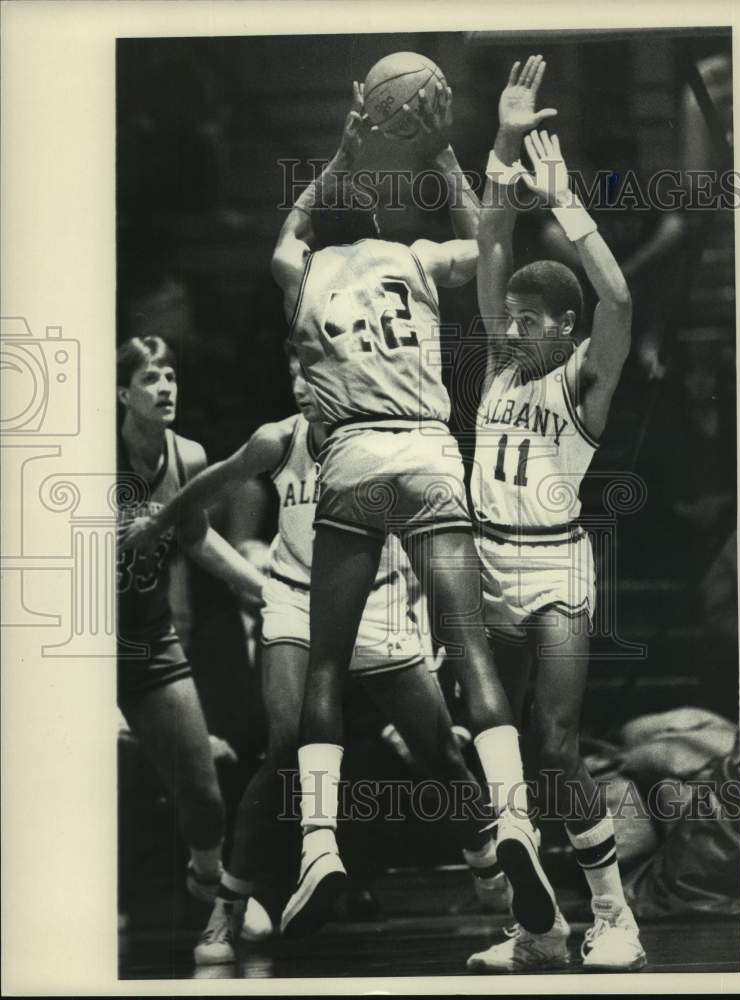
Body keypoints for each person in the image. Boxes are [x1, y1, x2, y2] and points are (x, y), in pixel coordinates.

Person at [270, 78, 557, 940]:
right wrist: (440, 156)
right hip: (431, 451)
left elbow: (289, 226)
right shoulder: (420, 258)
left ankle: (319, 845)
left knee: (325, 665)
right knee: (469, 651)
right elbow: (492, 242)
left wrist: (345, 143)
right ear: (385, 222)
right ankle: (511, 818)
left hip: (354, 459)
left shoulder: (301, 269)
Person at [123, 347, 506, 962]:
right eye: (296, 374)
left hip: (378, 602)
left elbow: (432, 531)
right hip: (296, 601)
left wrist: (430, 617)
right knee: (282, 750)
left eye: (317, 375)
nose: (304, 385)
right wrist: (162, 517)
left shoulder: (389, 438)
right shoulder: (279, 438)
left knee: (439, 750)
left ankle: (489, 865)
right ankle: (227, 910)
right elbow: (214, 480)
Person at [465, 57, 646, 971]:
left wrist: (566, 202)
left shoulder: (584, 381)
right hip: (481, 562)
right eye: (515, 315)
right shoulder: (500, 363)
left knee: (555, 745)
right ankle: (538, 930)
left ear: (564, 333)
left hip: (552, 567)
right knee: (485, 744)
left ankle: (614, 917)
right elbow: (491, 236)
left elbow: (617, 297)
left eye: (535, 318)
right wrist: (501, 139)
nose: (516, 324)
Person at [116, 335, 265, 904]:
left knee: (205, 799)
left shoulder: (190, 457)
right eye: (152, 379)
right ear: (122, 394)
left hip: (152, 642)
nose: (165, 388)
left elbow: (199, 539)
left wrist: (268, 590)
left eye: (171, 377)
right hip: (81, 651)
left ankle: (210, 887)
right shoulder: (86, 458)